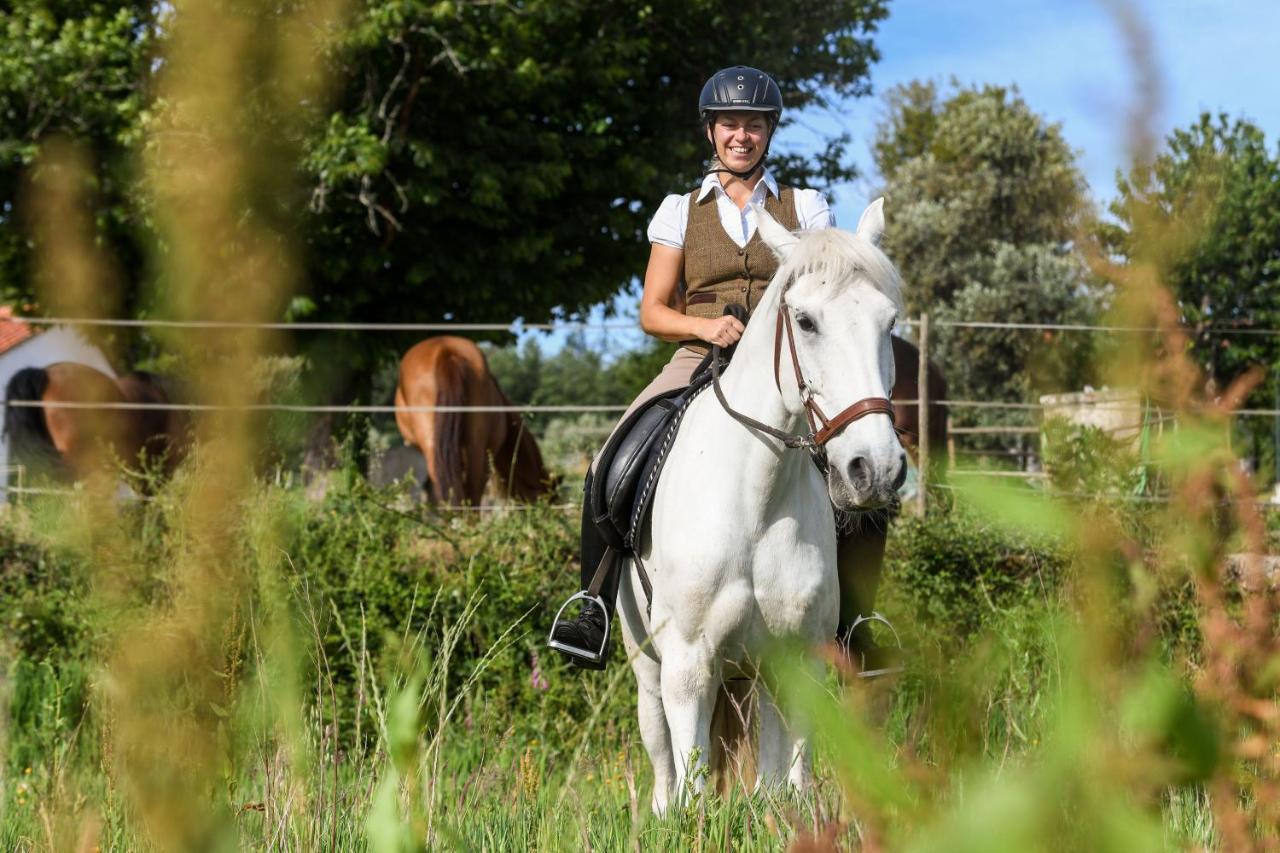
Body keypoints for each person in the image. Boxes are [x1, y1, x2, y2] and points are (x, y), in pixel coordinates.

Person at [549, 65, 896, 676]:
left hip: (791, 363)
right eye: (731, 124)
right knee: (613, 459)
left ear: (769, 132)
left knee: (864, 469)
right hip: (696, 357)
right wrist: (704, 328)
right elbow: (653, 312)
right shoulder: (679, 211)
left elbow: (832, 287)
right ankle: (592, 605)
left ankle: (859, 621)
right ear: (711, 131)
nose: (743, 135)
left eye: (755, 125)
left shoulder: (805, 207)